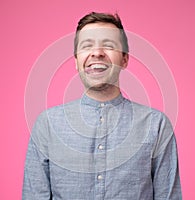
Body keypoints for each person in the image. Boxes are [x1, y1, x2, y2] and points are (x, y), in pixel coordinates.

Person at [23, 12, 182, 200]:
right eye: (86, 45)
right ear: (76, 61)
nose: (97, 52)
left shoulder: (157, 125)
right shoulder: (47, 124)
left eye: (108, 45)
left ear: (124, 59)